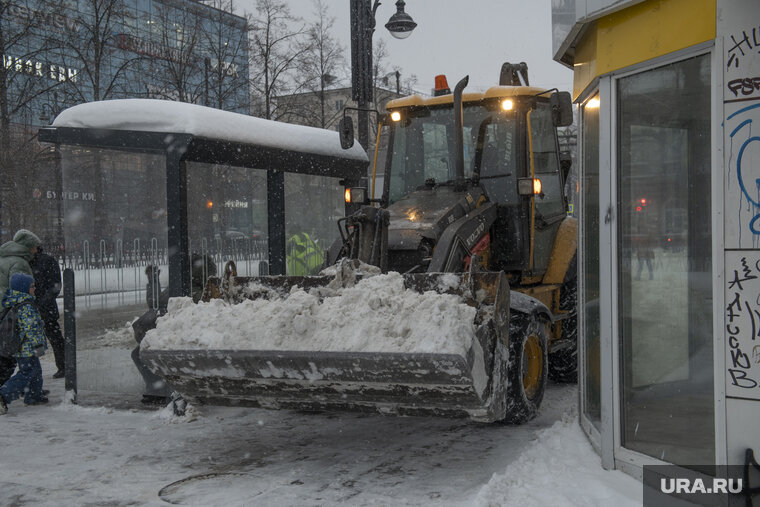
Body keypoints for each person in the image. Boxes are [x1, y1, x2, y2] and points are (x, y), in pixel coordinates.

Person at [0, 273, 48, 414]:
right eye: (32, 286)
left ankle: (34, 396)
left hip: (21, 347)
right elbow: (31, 328)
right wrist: (37, 345)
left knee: (35, 371)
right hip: (27, 348)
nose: (34, 288)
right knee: (27, 373)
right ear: (23, 288)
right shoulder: (26, 306)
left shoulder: (15, 302)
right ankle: (4, 395)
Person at [0, 229, 41, 385]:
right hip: (9, 310)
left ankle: (33, 389)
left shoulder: (4, 257)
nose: (36, 250)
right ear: (28, 246)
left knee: (5, 351)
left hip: (3, 308)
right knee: (13, 354)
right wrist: (27, 308)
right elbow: (19, 290)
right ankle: (7, 391)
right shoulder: (20, 262)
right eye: (35, 247)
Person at [30, 245, 65, 378]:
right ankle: (61, 366)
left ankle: (63, 366)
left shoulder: (47, 261)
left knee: (54, 338)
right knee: (50, 339)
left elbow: (55, 285)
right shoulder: (28, 261)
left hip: (45, 308)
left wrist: (43, 302)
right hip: (39, 307)